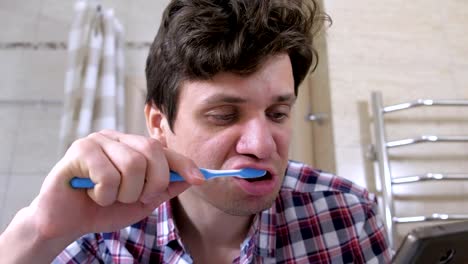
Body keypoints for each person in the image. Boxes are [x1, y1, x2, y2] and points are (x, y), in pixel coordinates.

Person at [0, 0, 392, 263]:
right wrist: (41, 231)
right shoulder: (101, 236)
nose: (260, 145)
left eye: (277, 112)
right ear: (158, 124)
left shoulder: (348, 215)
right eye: (223, 115)